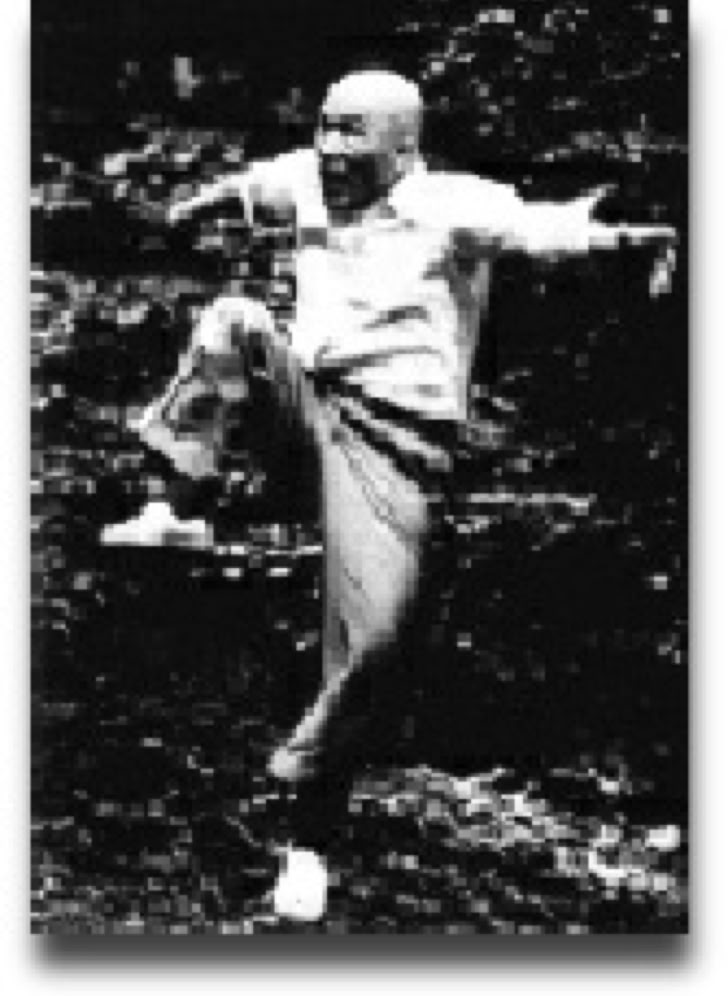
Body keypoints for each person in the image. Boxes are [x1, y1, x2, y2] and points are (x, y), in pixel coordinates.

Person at [100, 70, 677, 921]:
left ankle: (308, 845)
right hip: (309, 406)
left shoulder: (453, 205)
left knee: (372, 644)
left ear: (403, 147)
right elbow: (250, 186)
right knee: (233, 318)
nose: (330, 151)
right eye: (325, 129)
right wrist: (195, 202)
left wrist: (634, 238)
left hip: (393, 448)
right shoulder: (306, 178)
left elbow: (548, 232)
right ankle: (174, 505)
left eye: (351, 135)